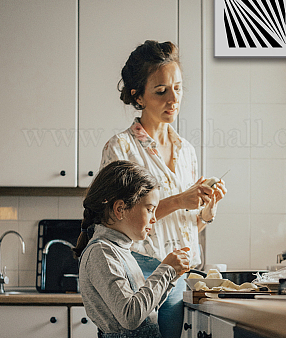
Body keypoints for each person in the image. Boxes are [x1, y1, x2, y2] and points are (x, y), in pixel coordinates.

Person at [100, 40, 227, 338]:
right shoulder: (121, 148)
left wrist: (206, 212)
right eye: (161, 91)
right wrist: (181, 199)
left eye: (178, 88)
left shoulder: (187, 152)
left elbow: (181, 229)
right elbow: (116, 220)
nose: (174, 99)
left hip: (183, 277)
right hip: (140, 274)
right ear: (138, 96)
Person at [73, 160, 191, 338]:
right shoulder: (101, 253)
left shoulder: (120, 249)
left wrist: (172, 276)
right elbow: (130, 316)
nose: (154, 219)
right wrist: (166, 270)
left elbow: (147, 309)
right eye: (150, 209)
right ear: (120, 209)